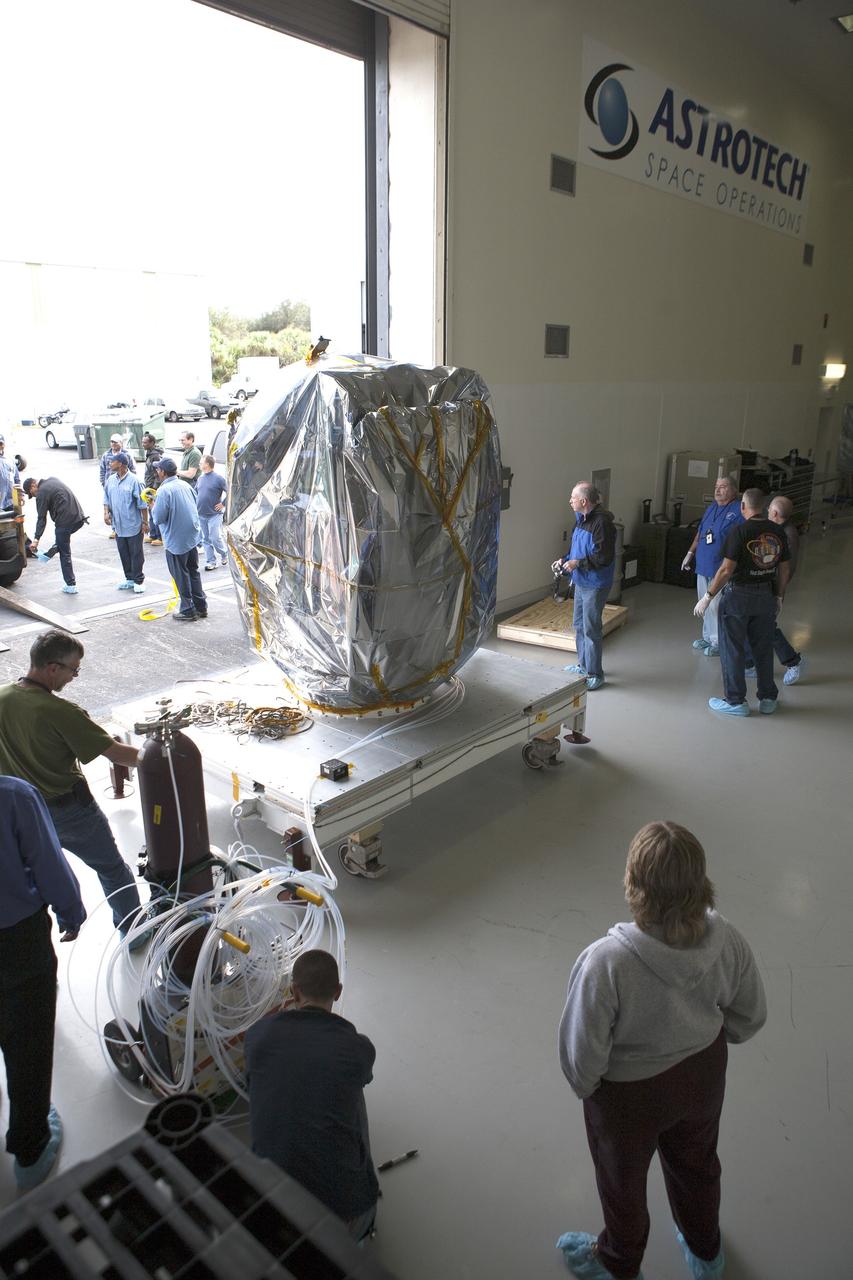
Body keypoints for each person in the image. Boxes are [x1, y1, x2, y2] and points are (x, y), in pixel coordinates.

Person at [557, 821, 766, 1280]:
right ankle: (706, 1251)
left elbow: (582, 1060)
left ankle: (619, 1262)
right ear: (701, 884)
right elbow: (750, 1015)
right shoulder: (726, 939)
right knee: (697, 1164)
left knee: (623, 1185)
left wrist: (594, 1090)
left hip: (628, 1100)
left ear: (634, 885)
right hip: (703, 1077)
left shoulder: (606, 963)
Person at [0, 630, 146, 941]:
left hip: (20, 813)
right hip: (69, 811)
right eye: (73, 670)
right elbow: (117, 754)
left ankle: (58, 925)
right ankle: (134, 932)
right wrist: (162, 757)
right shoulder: (60, 711)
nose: (74, 677)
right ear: (53, 668)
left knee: (37, 871)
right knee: (111, 868)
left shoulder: (2, 697)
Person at [245, 950, 379, 1242]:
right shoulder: (357, 1048)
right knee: (353, 1088)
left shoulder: (256, 1036)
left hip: (268, 1209)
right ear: (338, 992)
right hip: (346, 1216)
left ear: (294, 992)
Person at [0, 775, 86, 1192]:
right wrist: (71, 912)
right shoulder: (13, 796)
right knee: (27, 1041)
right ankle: (31, 1148)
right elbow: (49, 864)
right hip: (16, 941)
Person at [695, 487, 790, 716]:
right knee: (763, 649)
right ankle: (768, 698)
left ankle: (736, 701)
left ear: (743, 506)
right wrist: (779, 596)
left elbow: (726, 570)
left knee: (732, 649)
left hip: (738, 597)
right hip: (766, 596)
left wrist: (708, 596)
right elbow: (784, 568)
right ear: (764, 507)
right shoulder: (778, 531)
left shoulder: (739, 531)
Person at [551, 483, 616, 691]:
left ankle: (595, 674)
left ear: (584, 501)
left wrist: (577, 563)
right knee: (579, 625)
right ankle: (583, 666)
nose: (570, 501)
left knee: (591, 628)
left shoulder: (602, 523)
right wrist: (564, 560)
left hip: (595, 584)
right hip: (581, 581)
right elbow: (576, 550)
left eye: (573, 497)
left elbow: (603, 557)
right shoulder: (581, 519)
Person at [681, 477, 743, 658]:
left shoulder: (738, 510)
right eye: (716, 487)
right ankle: (708, 637)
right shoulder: (711, 508)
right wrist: (690, 553)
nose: (718, 490)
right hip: (704, 564)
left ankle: (718, 642)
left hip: (721, 567)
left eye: (723, 487)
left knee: (716, 605)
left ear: (734, 490)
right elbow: (701, 532)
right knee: (703, 605)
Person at [152, 456, 208, 621]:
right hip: (191, 537)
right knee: (193, 572)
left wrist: (152, 506)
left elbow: (158, 518)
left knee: (181, 575)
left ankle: (188, 609)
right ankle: (201, 606)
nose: (156, 472)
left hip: (176, 541)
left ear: (163, 472)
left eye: (158, 469)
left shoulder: (164, 491)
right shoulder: (185, 485)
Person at [763, 495, 804, 685]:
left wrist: (778, 594)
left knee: (766, 627)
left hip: (771, 589)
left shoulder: (788, 534)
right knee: (753, 625)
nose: (766, 511)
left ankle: (793, 661)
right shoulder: (775, 529)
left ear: (775, 512)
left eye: (769, 508)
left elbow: (787, 569)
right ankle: (750, 662)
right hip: (764, 586)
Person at [23, 475, 86, 595]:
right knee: (62, 541)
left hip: (65, 521)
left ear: (33, 485)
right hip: (79, 518)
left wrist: (36, 539)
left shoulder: (41, 493)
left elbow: (41, 518)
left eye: (31, 493)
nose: (34, 496)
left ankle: (71, 585)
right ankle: (54, 548)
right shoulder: (53, 479)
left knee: (64, 552)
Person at [103, 451, 148, 594]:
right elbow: (106, 498)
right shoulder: (111, 480)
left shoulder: (135, 481)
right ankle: (129, 578)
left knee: (136, 554)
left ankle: (138, 580)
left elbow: (143, 504)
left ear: (121, 464)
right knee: (124, 553)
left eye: (113, 461)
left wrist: (145, 523)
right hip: (118, 525)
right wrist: (106, 513)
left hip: (133, 525)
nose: (110, 464)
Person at [197, 454, 228, 571]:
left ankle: (224, 553)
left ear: (207, 464)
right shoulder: (200, 478)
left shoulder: (219, 478)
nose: (199, 464)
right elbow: (196, 493)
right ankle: (211, 561)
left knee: (214, 537)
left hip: (215, 514)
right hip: (201, 514)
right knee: (206, 539)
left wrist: (223, 503)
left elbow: (230, 491)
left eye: (201, 462)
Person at [141, 431, 164, 546]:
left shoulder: (155, 456)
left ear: (152, 443)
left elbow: (157, 474)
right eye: (142, 442)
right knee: (151, 511)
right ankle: (153, 534)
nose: (143, 444)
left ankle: (160, 537)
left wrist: (153, 489)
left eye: (145, 442)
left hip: (153, 488)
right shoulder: (149, 454)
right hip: (149, 486)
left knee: (155, 511)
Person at [0, 433, 22, 510]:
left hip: (12, 502)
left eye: (1, 444)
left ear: (4, 445)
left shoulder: (10, 459)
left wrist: (20, 495)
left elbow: (17, 479)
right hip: (0, 503)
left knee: (17, 517)